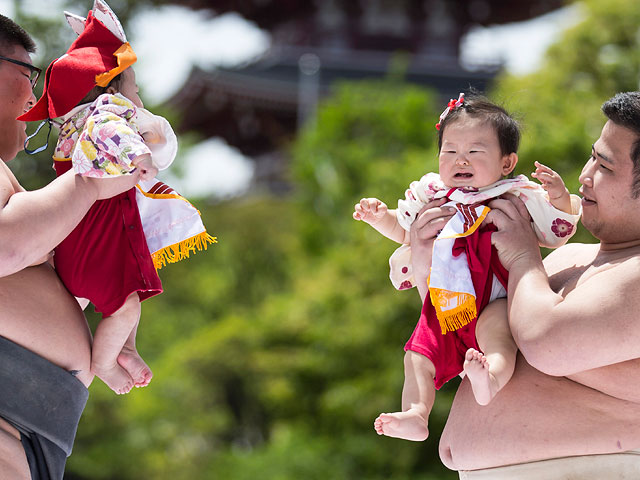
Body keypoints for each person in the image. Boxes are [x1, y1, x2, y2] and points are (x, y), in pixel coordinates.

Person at [412, 91, 640, 478]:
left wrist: (521, 256)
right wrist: (428, 260)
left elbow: (545, 341)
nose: (583, 176)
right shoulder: (568, 258)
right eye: (591, 155)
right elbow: (465, 332)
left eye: (604, 165)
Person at [353, 94, 581, 441]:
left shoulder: (516, 196)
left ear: (507, 163)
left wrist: (560, 198)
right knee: (417, 355)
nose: (461, 159)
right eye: (450, 150)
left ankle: (489, 378)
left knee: (498, 337)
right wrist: (379, 217)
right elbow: (405, 232)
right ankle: (416, 413)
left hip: (496, 297)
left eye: (475, 151)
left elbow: (556, 230)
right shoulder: (432, 194)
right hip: (445, 304)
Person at [19, 0, 215, 396]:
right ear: (112, 86)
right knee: (127, 307)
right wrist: (140, 156)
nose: (139, 100)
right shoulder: (106, 112)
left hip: (85, 243)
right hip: (97, 245)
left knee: (129, 302)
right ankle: (106, 361)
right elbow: (113, 131)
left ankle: (125, 348)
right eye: (136, 90)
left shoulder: (75, 125)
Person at [0, 13, 140, 480]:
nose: (36, 96)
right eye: (28, 74)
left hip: (31, 438)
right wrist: (89, 182)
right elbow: (6, 248)